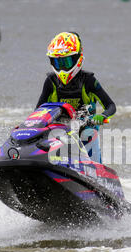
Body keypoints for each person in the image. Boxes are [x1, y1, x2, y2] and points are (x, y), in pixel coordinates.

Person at [36, 32, 116, 163]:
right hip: (58, 128)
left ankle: (96, 171)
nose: (61, 68)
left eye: (66, 62)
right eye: (57, 62)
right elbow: (38, 110)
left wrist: (103, 116)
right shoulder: (50, 81)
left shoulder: (89, 80)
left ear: (77, 58)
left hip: (86, 127)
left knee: (89, 134)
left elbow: (111, 106)